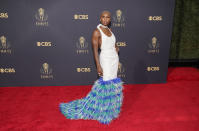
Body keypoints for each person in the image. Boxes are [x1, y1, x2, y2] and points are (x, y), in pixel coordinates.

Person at [59, 10, 124, 125]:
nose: (105, 19)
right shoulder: (96, 32)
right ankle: (102, 111)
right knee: (106, 84)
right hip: (106, 59)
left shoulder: (110, 30)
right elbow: (95, 51)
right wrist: (98, 65)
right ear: (100, 18)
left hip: (114, 59)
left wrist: (116, 47)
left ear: (110, 19)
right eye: (103, 17)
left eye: (107, 17)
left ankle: (111, 110)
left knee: (113, 84)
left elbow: (113, 43)